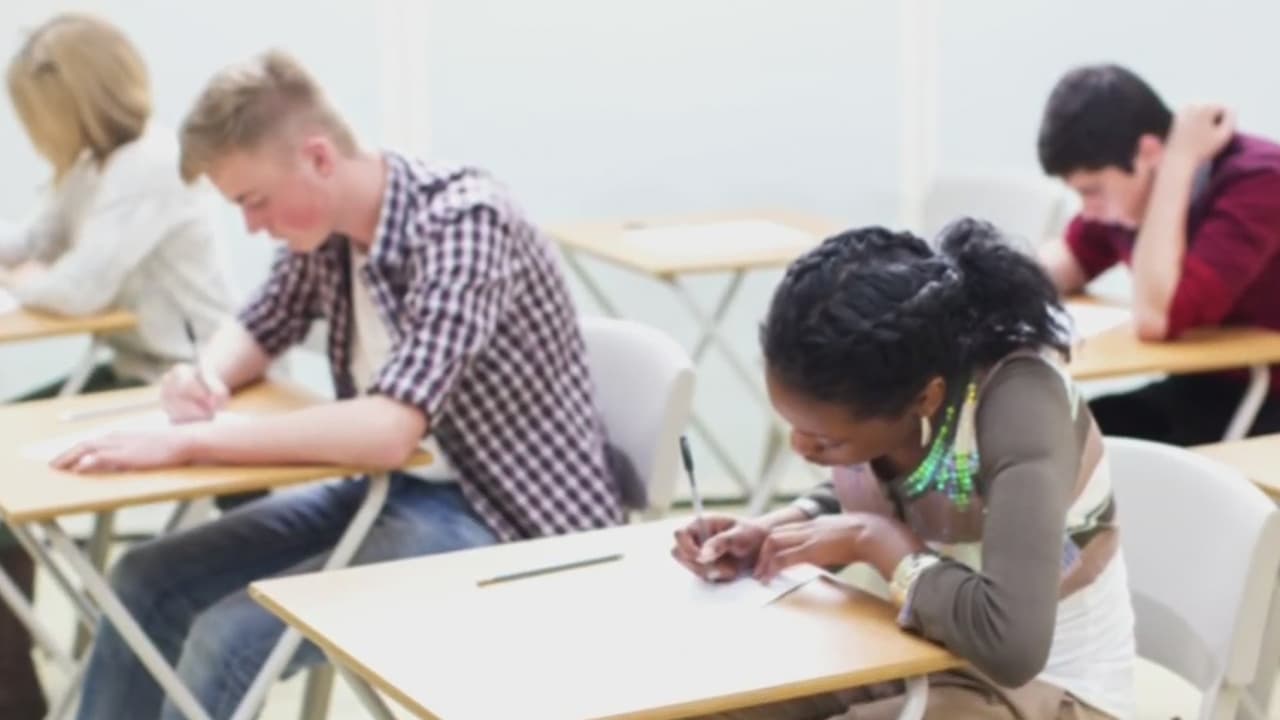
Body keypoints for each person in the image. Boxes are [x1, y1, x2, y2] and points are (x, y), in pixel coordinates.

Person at [68, 50, 624, 720]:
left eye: (254, 201)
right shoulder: (329, 231)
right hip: (392, 489)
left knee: (226, 637)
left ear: (319, 158)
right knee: (142, 581)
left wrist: (193, 442)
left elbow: (389, 430)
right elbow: (260, 323)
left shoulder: (465, 221)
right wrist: (207, 375)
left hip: (506, 520)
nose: (252, 225)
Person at [673, 221, 1135, 719]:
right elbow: (888, 490)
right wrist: (773, 533)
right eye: (794, 426)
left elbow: (1011, 646)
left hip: (1049, 692)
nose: (799, 447)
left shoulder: (1021, 409)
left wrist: (875, 541)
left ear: (925, 398)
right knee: (706, 704)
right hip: (915, 653)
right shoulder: (898, 397)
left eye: (827, 440)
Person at [0, 15, 232, 718]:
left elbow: (76, 288)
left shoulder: (149, 165)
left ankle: (16, 697)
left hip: (187, 381)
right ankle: (16, 689)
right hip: (135, 372)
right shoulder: (93, 166)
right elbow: (36, 245)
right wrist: (31, 270)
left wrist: (33, 278)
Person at [1036, 63, 1280, 445]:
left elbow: (1156, 317)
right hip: (1201, 385)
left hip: (1263, 393)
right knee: (1056, 435)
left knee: (1103, 456)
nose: (1088, 209)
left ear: (1149, 152)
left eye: (1092, 190)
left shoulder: (1258, 181)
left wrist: (1177, 164)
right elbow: (1065, 261)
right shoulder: (1126, 196)